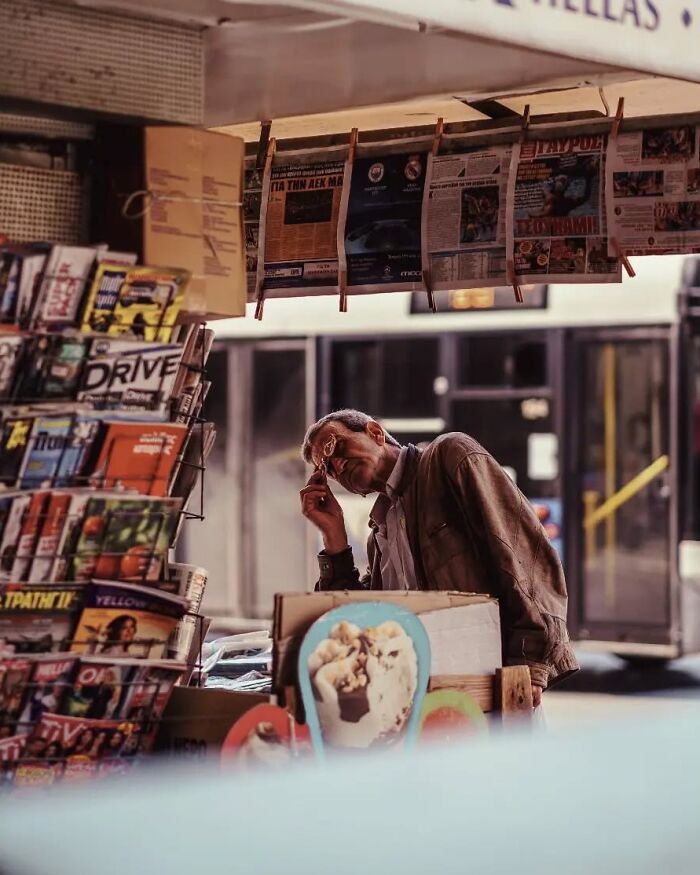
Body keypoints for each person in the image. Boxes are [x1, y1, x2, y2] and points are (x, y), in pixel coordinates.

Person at [300, 410, 579, 706]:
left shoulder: (449, 456)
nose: (339, 465)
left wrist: (529, 664)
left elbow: (524, 556)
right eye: (328, 469)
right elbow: (356, 626)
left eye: (336, 447)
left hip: (489, 685)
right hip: (427, 697)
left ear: (375, 433)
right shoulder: (380, 534)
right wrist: (334, 537)